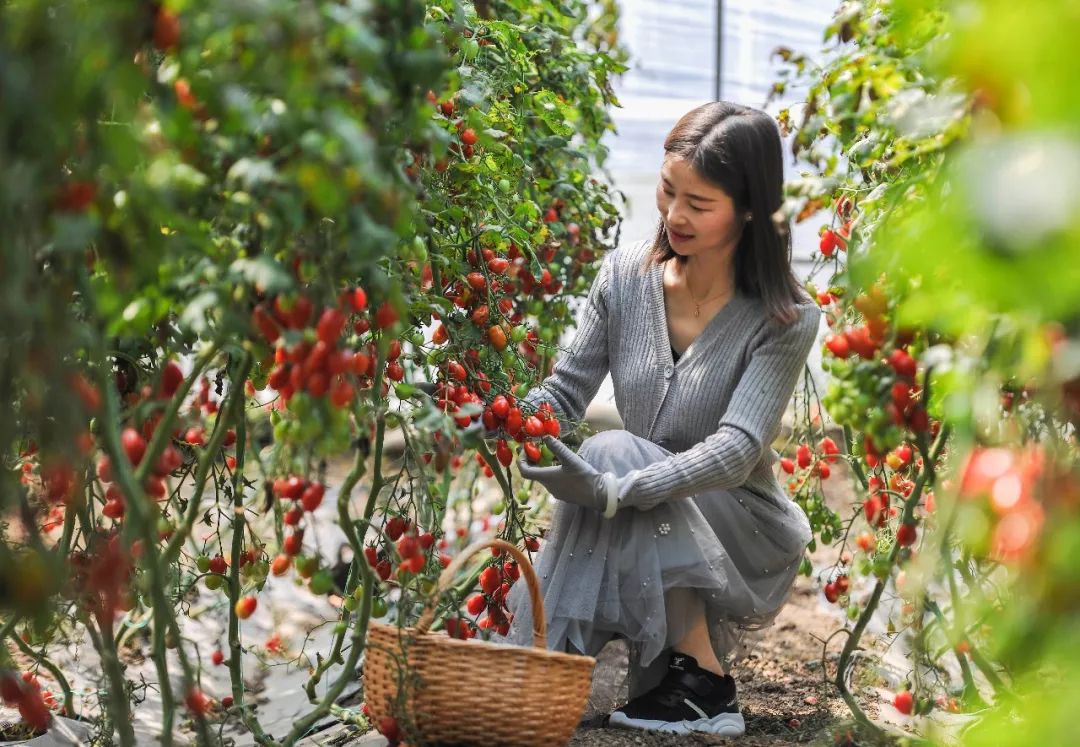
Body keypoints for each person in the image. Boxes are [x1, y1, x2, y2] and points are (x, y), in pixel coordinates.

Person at [495, 101, 821, 738]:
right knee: (617, 456)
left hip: (737, 522)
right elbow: (565, 391)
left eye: (698, 205)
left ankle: (706, 682)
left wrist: (619, 489)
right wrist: (511, 416)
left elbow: (736, 449)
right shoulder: (625, 277)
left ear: (750, 209)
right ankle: (645, 679)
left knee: (616, 452)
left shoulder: (784, 317)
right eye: (667, 191)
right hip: (646, 514)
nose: (674, 216)